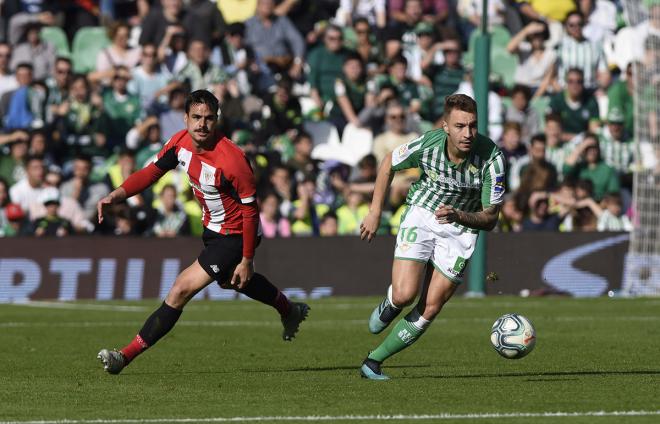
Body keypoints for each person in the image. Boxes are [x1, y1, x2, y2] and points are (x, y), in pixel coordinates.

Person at [96, 90, 309, 375]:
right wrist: (117, 195)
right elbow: (151, 172)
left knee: (180, 289)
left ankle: (124, 356)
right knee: (234, 282)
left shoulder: (233, 160)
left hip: (235, 234)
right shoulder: (179, 143)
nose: (202, 125)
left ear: (216, 120)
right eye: (196, 117)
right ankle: (289, 309)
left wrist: (247, 258)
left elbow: (250, 211)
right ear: (185, 119)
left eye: (209, 118)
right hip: (211, 229)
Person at [358, 94, 506, 380]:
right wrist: (375, 211)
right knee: (405, 294)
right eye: (460, 126)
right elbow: (389, 162)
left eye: (472, 126)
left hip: (461, 226)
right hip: (423, 212)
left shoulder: (492, 159)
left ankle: (373, 362)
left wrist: (459, 216)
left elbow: (490, 217)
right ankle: (392, 302)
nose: (467, 133)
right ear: (445, 126)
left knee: (430, 307)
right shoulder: (429, 144)